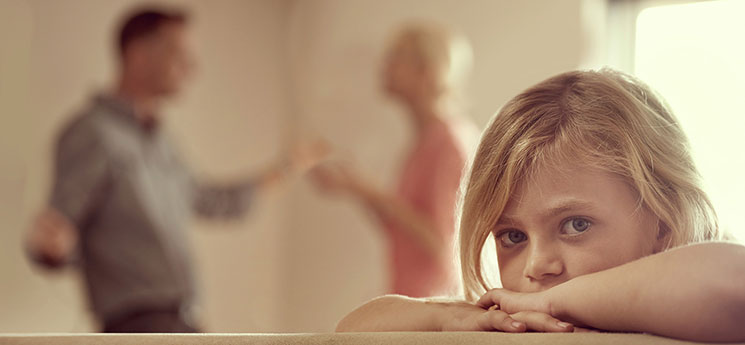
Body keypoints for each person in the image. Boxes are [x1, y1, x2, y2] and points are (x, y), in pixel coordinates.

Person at [334, 69, 745, 343]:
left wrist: (548, 301)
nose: (537, 266)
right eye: (512, 236)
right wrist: (449, 317)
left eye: (575, 225)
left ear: (663, 227)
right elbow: (351, 330)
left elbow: (732, 282)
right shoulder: (515, 322)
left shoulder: (693, 314)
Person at [24, 7, 322, 333]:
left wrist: (289, 167)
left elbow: (210, 200)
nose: (192, 68)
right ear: (137, 54)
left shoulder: (163, 144)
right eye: (179, 54)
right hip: (136, 325)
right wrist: (52, 250)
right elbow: (59, 233)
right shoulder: (91, 132)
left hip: (182, 321)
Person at [311, 23, 477, 298]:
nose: (384, 65)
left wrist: (369, 190)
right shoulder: (425, 140)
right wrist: (356, 188)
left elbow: (441, 243)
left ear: (428, 71)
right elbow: (402, 230)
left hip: (432, 306)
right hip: (413, 298)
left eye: (397, 56)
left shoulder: (448, 142)